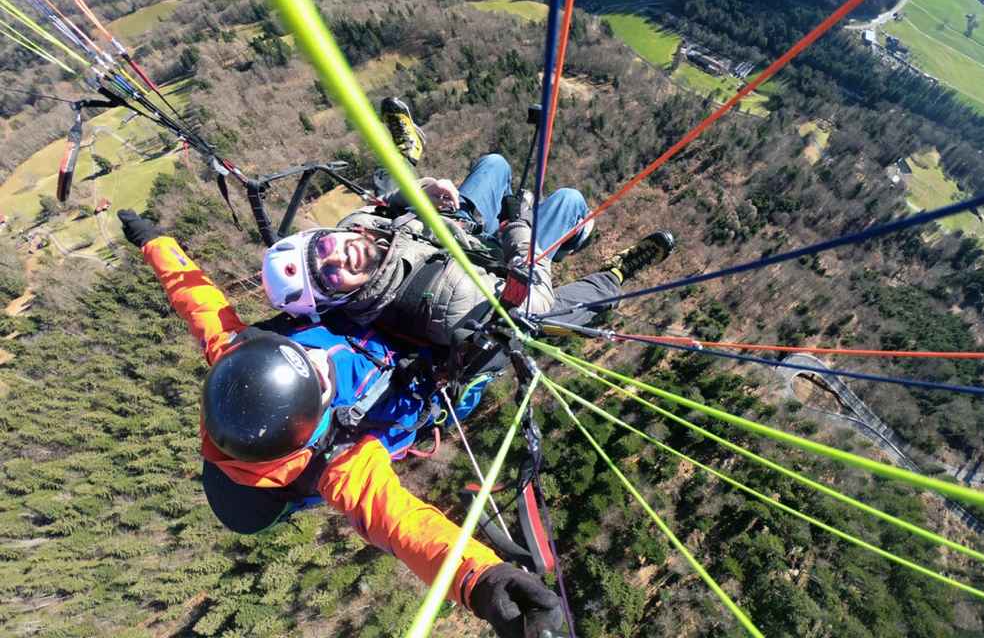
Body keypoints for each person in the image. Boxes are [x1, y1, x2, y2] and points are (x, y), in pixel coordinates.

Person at [116, 209, 564, 638]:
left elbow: (196, 298)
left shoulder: (240, 360)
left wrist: (153, 240)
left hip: (381, 319)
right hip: (432, 373)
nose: (315, 358)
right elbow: (402, 525)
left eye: (302, 355)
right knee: (540, 319)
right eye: (319, 380)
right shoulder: (338, 462)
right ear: (313, 418)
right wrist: (483, 581)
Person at [262, 97, 677, 348]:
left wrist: (423, 190)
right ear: (338, 299)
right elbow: (530, 302)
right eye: (329, 277)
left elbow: (386, 203)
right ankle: (613, 270)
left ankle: (409, 153)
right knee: (569, 202)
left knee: (495, 164)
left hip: (457, 230)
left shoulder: (356, 228)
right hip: (497, 267)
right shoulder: (447, 304)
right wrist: (517, 226)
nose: (339, 255)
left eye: (321, 249)